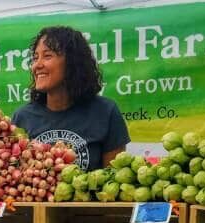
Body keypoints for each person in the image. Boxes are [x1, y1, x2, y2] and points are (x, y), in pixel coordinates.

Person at [12, 26, 129, 171]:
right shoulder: (22, 117)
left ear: (72, 62)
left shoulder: (105, 112)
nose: (37, 65)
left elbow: (114, 180)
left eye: (47, 56)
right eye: (35, 58)